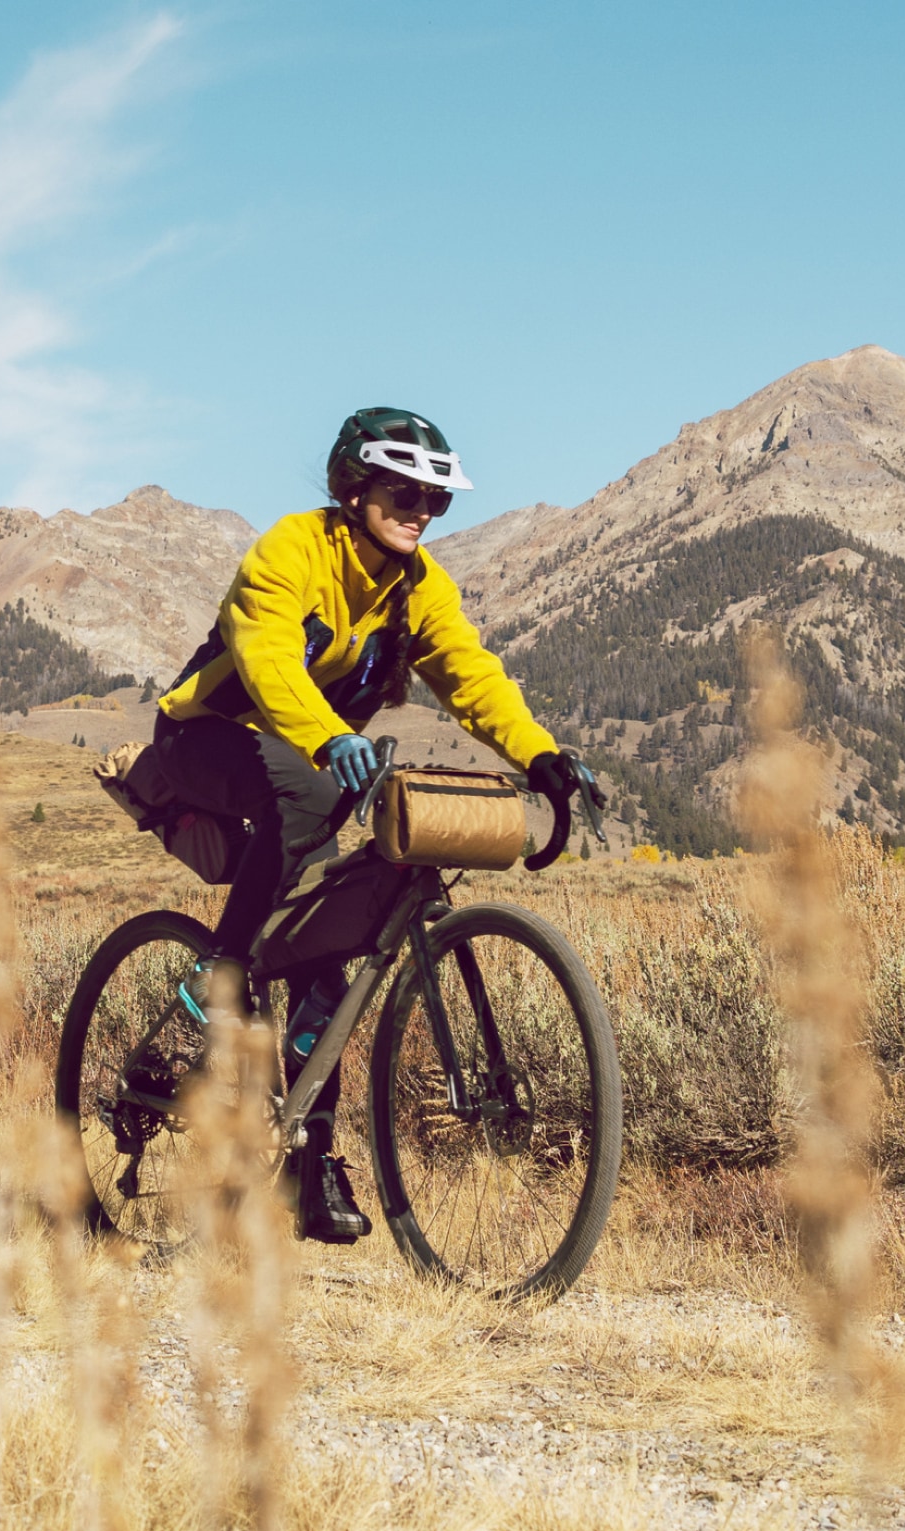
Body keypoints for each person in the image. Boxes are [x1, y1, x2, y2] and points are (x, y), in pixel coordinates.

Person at [136, 407, 600, 1242]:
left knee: (327, 949)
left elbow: (470, 675)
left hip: (312, 757)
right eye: (403, 493)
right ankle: (223, 971)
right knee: (310, 796)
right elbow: (268, 661)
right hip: (208, 737)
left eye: (435, 500)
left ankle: (310, 1166)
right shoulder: (293, 549)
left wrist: (540, 755)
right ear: (354, 489)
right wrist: (329, 738)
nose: (421, 511)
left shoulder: (420, 587)